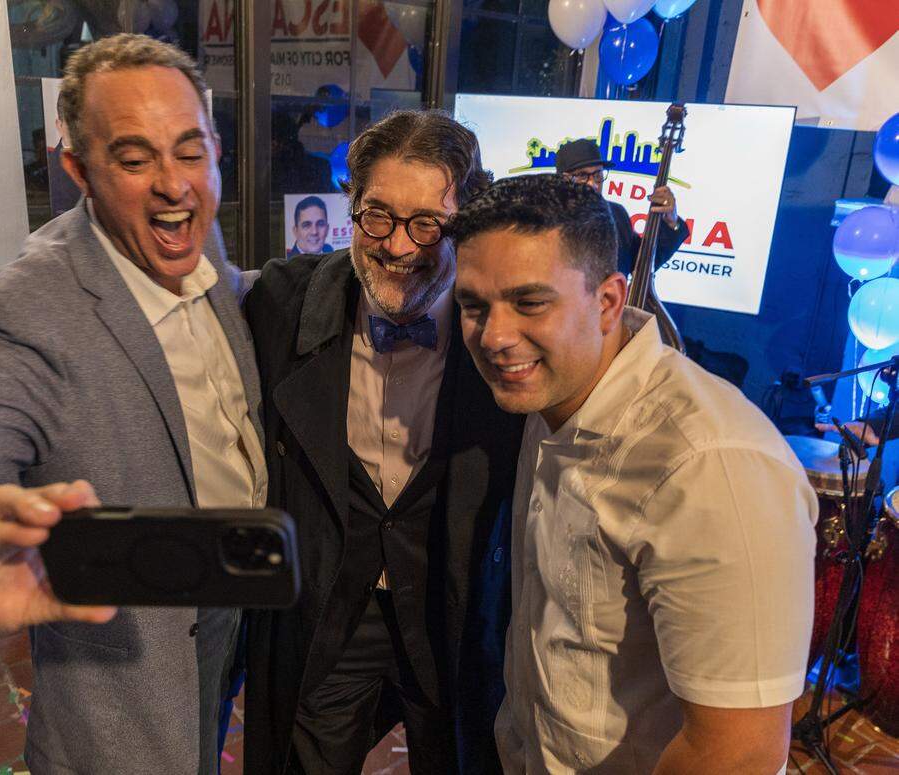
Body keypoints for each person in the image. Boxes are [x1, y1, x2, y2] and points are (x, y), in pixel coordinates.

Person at [0, 34, 264, 774]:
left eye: (190, 152)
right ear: (79, 169)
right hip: (134, 672)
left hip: (240, 600)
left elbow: (219, 303)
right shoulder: (26, 313)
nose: (173, 184)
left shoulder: (198, 236)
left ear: (214, 152)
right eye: (134, 160)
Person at [450, 174, 817, 773]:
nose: (494, 337)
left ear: (608, 303)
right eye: (474, 306)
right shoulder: (552, 394)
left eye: (530, 302)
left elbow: (738, 753)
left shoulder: (710, 465)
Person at [243, 110, 524, 775]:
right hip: (330, 612)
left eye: (427, 223)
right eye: (378, 216)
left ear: (464, 224)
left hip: (452, 617)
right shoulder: (284, 301)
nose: (398, 245)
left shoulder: (506, 328)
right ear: (353, 210)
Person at [555, 138, 690, 276]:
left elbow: (643, 264)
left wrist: (671, 222)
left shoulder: (617, 214)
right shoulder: (549, 220)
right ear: (564, 179)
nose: (593, 184)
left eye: (597, 175)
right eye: (582, 176)